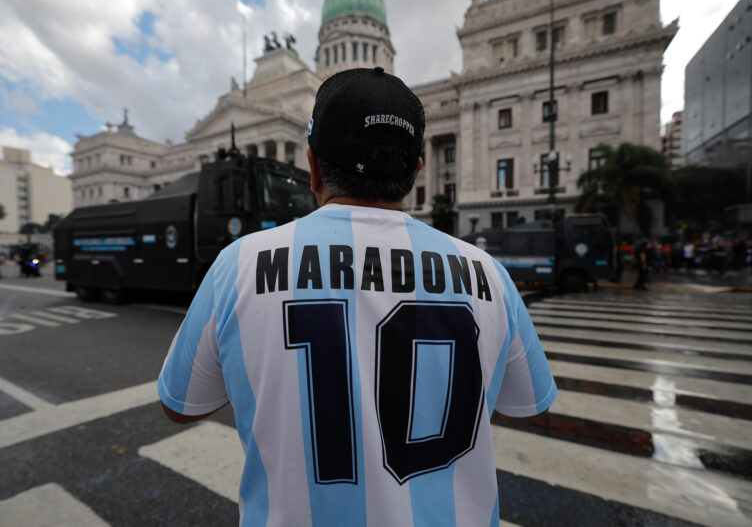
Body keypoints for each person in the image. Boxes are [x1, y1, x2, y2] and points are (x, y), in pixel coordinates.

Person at [157, 67, 556, 526]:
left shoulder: (239, 264)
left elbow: (180, 403)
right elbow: (527, 403)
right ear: (414, 170)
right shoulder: (489, 274)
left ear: (311, 165)